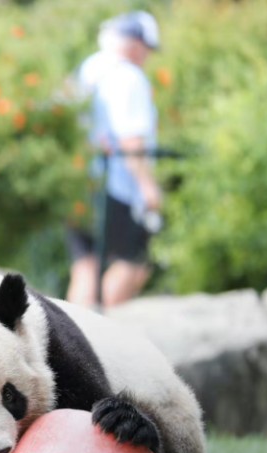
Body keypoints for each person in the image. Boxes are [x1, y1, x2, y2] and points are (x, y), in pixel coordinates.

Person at [65, 11, 163, 310]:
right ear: (134, 44)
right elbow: (130, 139)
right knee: (132, 263)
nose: (147, 56)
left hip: (77, 182)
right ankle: (102, 342)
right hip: (115, 187)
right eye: (146, 48)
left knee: (85, 266)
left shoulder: (89, 67)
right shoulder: (129, 77)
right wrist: (148, 188)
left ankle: (69, 348)